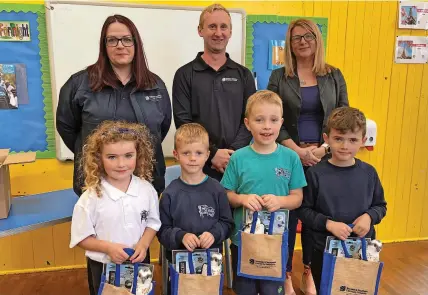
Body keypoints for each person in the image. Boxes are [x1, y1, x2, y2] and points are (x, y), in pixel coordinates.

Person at [267, 18, 349, 294]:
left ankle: (309, 271)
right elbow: (272, 118)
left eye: (308, 36)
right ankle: (286, 273)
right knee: (288, 216)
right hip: (289, 155)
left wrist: (323, 148)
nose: (302, 41)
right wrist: (298, 151)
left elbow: (343, 118)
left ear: (317, 40)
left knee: (318, 216)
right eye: (296, 37)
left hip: (325, 156)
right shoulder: (279, 77)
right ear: (289, 43)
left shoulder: (334, 75)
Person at [56, 14, 171, 197]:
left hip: (145, 184)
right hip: (96, 187)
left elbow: (160, 129)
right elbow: (67, 128)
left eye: (126, 39)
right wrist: (95, 154)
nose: (120, 45)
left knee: (147, 227)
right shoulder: (79, 84)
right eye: (112, 40)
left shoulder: (155, 85)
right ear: (104, 45)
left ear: (136, 44)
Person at [221, 90, 307, 295]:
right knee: (245, 289)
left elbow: (297, 198)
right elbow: (227, 195)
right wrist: (242, 199)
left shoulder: (291, 158)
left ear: (281, 123)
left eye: (273, 120)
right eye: (259, 120)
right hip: (243, 241)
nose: (267, 126)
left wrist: (280, 201)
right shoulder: (238, 158)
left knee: (271, 290)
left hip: (275, 241)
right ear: (248, 123)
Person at [297, 107, 387, 292]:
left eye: (352, 140)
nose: (345, 146)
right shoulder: (315, 174)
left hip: (361, 250)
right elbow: (304, 211)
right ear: (326, 139)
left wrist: (369, 217)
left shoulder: (369, 173)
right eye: (338, 139)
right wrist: (328, 224)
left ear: (362, 141)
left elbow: (380, 206)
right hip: (324, 251)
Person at [69, 121, 161, 295]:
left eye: (128, 155)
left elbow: (152, 222)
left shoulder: (147, 190)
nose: (121, 164)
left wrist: (144, 243)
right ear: (99, 158)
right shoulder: (90, 198)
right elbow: (81, 238)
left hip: (139, 260)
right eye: (112, 157)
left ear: (138, 155)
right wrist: (108, 248)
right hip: (103, 266)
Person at [173, 3, 256, 181]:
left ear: (230, 32)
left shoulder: (243, 75)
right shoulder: (184, 74)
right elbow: (183, 123)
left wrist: (233, 154)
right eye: (212, 26)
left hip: (238, 162)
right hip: (199, 166)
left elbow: (251, 118)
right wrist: (213, 153)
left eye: (223, 27)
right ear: (200, 30)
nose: (218, 33)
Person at [157, 123, 234, 295]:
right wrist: (180, 236)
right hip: (178, 266)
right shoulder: (169, 194)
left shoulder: (217, 190)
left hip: (210, 265)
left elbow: (227, 224)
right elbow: (162, 231)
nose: (193, 158)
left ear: (207, 155)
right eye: (186, 153)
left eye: (198, 153)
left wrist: (213, 234)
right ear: (176, 155)